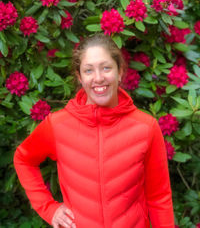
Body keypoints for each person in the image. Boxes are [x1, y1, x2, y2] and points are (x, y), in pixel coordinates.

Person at [14, 33, 175, 228]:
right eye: (89, 71)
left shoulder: (146, 127)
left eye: (106, 68)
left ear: (120, 71)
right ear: (80, 77)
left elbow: (159, 198)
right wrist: (48, 208)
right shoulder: (58, 125)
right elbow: (24, 159)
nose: (98, 78)